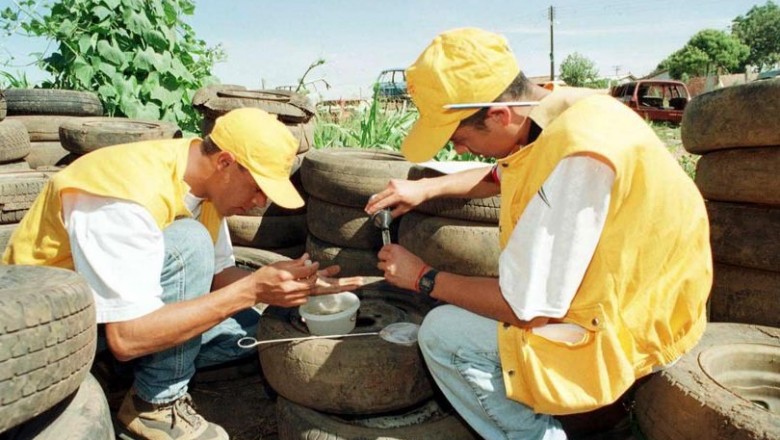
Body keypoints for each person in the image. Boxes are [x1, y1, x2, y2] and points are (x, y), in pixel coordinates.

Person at [365, 28, 711, 440]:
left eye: (460, 138)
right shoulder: (567, 108)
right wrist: (426, 188)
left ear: (498, 115)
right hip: (662, 297)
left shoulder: (574, 157)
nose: (457, 151)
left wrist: (421, 277)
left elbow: (527, 309)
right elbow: (504, 170)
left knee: (444, 333)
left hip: (633, 327)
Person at [3, 108, 362, 440]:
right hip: (49, 332)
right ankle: (154, 405)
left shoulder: (204, 187)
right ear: (225, 161)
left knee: (256, 331)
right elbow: (127, 337)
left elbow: (219, 274)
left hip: (117, 316)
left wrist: (293, 288)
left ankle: (112, 372)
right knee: (190, 243)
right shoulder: (122, 191)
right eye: (257, 188)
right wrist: (252, 289)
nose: (259, 204)